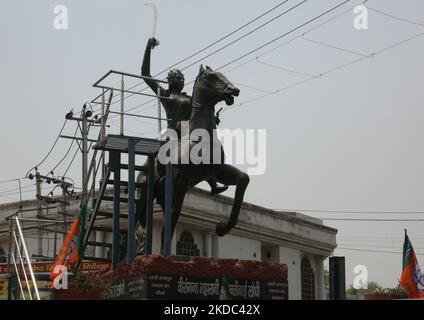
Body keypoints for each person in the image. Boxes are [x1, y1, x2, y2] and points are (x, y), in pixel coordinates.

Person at [141, 37, 227, 195]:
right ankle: (162, 175)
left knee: (207, 146)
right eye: (175, 79)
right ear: (169, 81)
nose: (179, 81)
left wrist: (213, 118)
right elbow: (145, 75)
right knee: (166, 150)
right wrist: (148, 49)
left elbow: (200, 111)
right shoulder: (165, 95)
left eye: (181, 79)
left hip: (190, 131)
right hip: (172, 132)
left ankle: (213, 183)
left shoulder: (190, 98)